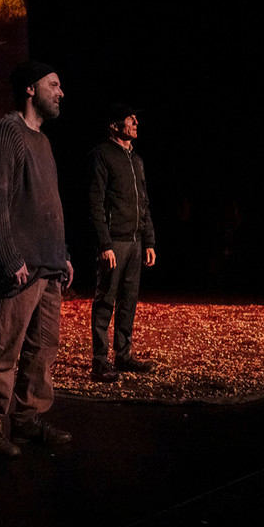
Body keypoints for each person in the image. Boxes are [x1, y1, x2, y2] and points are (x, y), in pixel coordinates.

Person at [0, 61, 74, 457]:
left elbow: (49, 206)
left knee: (42, 351)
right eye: (54, 84)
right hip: (21, 267)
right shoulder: (6, 132)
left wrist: (63, 256)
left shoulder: (43, 142)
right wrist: (9, 257)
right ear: (31, 89)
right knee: (4, 350)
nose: (60, 92)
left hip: (48, 266)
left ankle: (28, 419)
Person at [88, 104, 157, 383]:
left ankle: (123, 354)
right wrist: (104, 243)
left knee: (128, 300)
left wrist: (149, 240)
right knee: (106, 299)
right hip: (115, 241)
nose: (136, 122)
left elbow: (144, 202)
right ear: (115, 125)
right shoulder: (102, 155)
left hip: (135, 241)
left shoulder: (136, 160)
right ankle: (99, 360)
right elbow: (95, 201)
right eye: (130, 118)